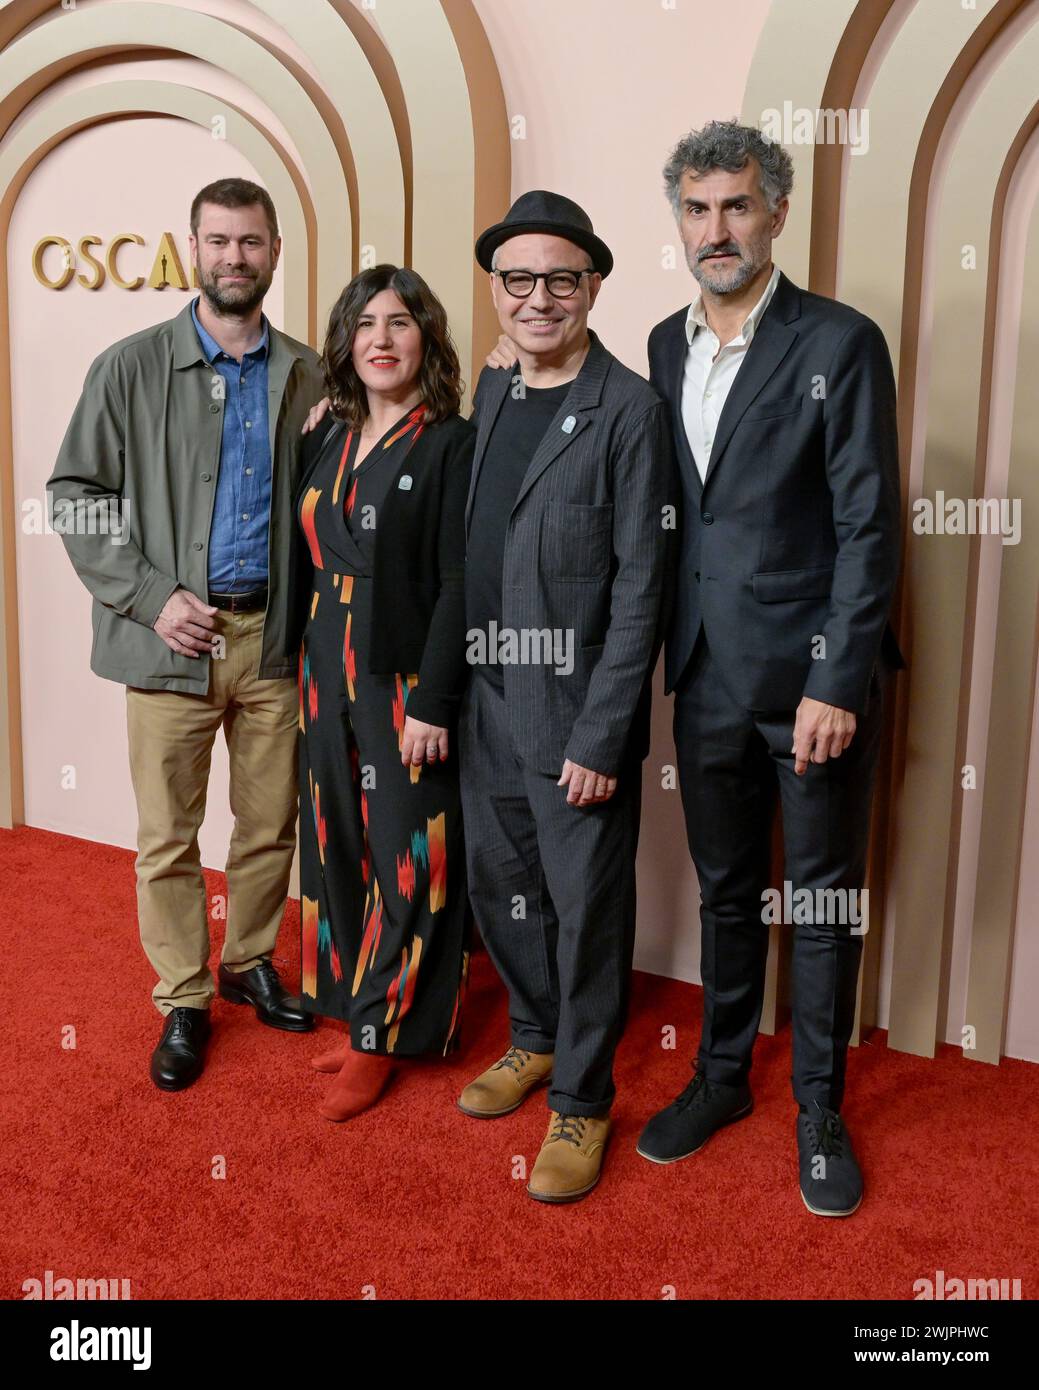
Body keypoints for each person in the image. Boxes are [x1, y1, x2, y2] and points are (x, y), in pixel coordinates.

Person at [638, 121, 904, 1215]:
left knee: (825, 898)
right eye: (697, 210)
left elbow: (870, 526)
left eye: (737, 206)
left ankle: (820, 1110)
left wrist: (836, 680)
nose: (717, 229)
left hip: (807, 685)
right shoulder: (660, 343)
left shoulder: (839, 342)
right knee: (728, 891)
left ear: (776, 213)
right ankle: (719, 1079)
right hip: (700, 675)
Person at [49, 178, 323, 1091]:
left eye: (250, 242)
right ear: (192, 248)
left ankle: (247, 963)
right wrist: (151, 594)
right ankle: (183, 997)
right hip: (169, 645)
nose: (234, 258)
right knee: (167, 836)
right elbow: (75, 497)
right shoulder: (129, 367)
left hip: (273, 641)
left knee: (268, 822)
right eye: (218, 241)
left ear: (274, 252)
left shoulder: (310, 373)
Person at [458, 192, 676, 1203]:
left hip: (574, 718)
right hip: (487, 700)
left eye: (561, 278)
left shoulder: (630, 410)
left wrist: (603, 732)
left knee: (586, 913)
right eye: (518, 279)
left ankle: (583, 1100)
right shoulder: (493, 392)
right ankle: (536, 1039)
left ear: (592, 287)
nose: (538, 297)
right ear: (495, 291)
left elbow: (642, 587)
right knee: (506, 891)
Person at [294, 266, 474, 1121]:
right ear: (345, 341)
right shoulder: (327, 434)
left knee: (410, 853)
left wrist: (435, 700)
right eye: (364, 324)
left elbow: (459, 580)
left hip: (402, 664)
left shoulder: (450, 442)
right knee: (336, 838)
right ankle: (349, 1006)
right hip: (320, 660)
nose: (380, 339)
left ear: (425, 340)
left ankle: (385, 1033)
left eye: (399, 323)